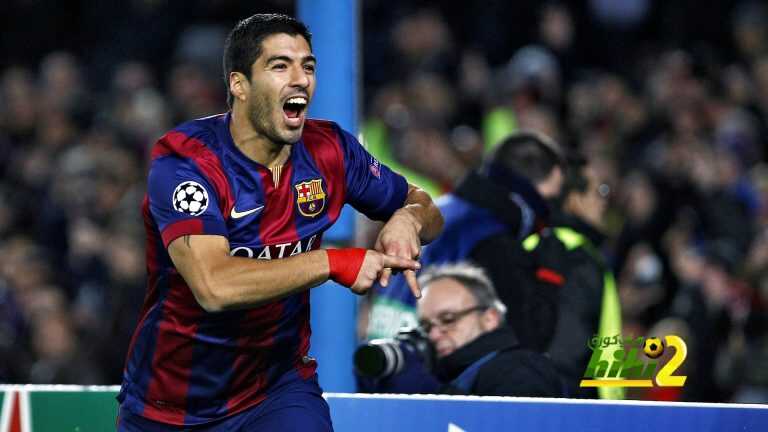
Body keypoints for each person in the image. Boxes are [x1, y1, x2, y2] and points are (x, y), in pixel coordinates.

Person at [116, 14, 443, 431]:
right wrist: (331, 262)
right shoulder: (186, 162)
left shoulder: (332, 152)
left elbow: (426, 207)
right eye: (280, 65)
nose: (300, 79)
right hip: (170, 404)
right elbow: (214, 286)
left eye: (308, 66)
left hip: (274, 390)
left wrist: (408, 221)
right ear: (239, 84)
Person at [367, 131, 566, 352]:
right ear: (529, 191)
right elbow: (527, 339)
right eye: (549, 200)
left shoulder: (438, 211)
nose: (549, 214)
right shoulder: (491, 240)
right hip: (430, 378)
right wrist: (550, 278)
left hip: (384, 361)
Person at [523, 155, 624, 399]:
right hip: (576, 411)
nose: (604, 202)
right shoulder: (579, 258)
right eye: (600, 190)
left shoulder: (527, 245)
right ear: (574, 200)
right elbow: (568, 348)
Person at [417, 263, 563, 396]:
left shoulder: (516, 371)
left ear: (490, 319)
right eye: (426, 326)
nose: (434, 335)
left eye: (448, 319)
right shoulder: (451, 376)